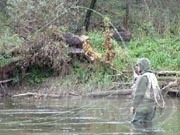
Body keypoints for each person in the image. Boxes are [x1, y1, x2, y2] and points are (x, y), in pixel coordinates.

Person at [130, 58, 163, 130]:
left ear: (142, 66)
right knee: (148, 126)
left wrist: (133, 106)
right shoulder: (152, 76)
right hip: (152, 107)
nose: (137, 67)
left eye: (138, 66)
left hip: (143, 106)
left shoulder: (143, 77)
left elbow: (139, 94)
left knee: (136, 124)